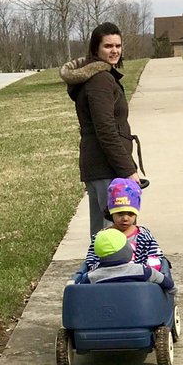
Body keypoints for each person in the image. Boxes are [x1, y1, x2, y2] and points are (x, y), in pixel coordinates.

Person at [60, 22, 141, 237]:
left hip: (102, 167)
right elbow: (105, 130)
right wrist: (127, 170)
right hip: (106, 168)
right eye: (108, 46)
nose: (114, 51)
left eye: (118, 45)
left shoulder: (99, 77)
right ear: (96, 48)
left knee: (102, 236)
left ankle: (99, 270)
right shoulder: (101, 81)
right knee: (112, 238)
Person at [80, 177, 168, 275]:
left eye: (130, 214)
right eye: (120, 214)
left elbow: (155, 256)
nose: (125, 218)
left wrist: (148, 271)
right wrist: (103, 270)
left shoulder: (143, 235)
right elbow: (92, 261)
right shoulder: (102, 237)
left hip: (139, 281)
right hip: (109, 281)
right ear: (111, 213)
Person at [83, 229, 175, 290]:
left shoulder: (91, 277)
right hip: (141, 313)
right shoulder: (142, 271)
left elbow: (79, 292)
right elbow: (167, 283)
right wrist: (171, 291)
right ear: (127, 251)